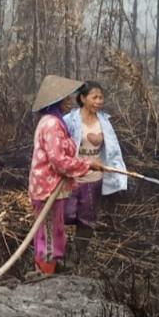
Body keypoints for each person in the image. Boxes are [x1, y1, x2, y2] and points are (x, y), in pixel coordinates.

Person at [29, 75, 104, 275]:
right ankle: (45, 270)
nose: (70, 102)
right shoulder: (52, 125)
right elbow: (59, 161)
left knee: (55, 229)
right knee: (48, 232)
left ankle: (52, 268)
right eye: (66, 99)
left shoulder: (54, 122)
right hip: (47, 189)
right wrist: (88, 165)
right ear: (57, 102)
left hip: (52, 187)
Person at [63, 80, 127, 267]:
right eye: (95, 97)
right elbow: (62, 150)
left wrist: (116, 170)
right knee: (66, 215)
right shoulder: (70, 120)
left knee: (87, 218)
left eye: (101, 97)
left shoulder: (104, 122)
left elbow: (113, 150)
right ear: (83, 98)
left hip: (94, 180)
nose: (99, 101)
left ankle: (77, 257)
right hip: (72, 178)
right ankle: (62, 252)